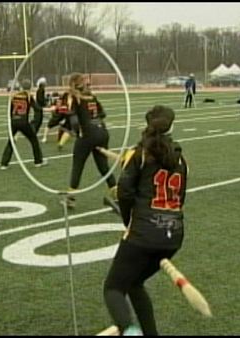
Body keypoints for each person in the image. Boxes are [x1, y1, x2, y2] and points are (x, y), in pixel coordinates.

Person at [103, 105, 188, 336]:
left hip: (143, 235)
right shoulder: (181, 159)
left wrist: (128, 219)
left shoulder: (139, 154)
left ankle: (130, 332)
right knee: (133, 283)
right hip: (174, 236)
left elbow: (125, 192)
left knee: (113, 288)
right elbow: (180, 199)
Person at [64, 73, 116, 208]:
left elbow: (74, 120)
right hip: (102, 132)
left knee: (78, 166)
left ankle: (71, 198)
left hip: (88, 134)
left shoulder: (75, 98)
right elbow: (103, 114)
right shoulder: (92, 96)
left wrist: (77, 132)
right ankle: (117, 194)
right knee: (103, 167)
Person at [0, 79, 46, 170]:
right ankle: (38, 161)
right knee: (34, 140)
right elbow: (37, 108)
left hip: (13, 121)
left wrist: (10, 121)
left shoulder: (14, 96)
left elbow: (10, 110)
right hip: (23, 122)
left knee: (11, 141)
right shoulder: (28, 96)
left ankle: (4, 163)